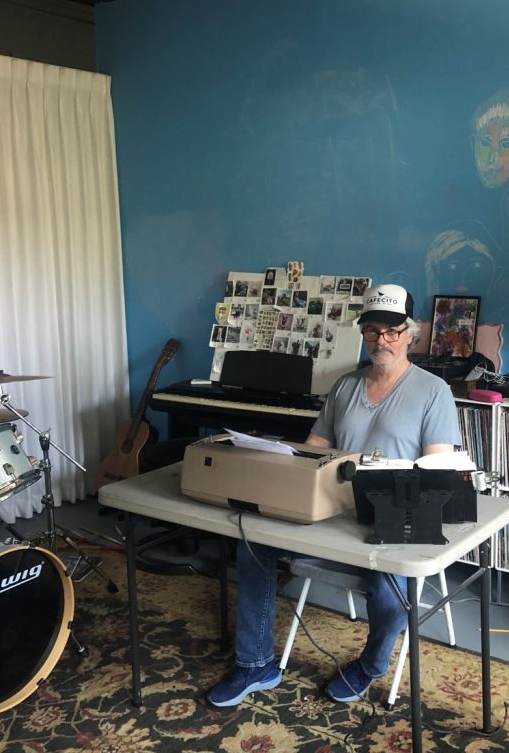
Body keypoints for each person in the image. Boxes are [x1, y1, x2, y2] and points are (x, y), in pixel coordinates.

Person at [206, 283, 462, 707]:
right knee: (251, 539)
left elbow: (436, 472)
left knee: (390, 589)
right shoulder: (344, 386)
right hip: (331, 508)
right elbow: (314, 450)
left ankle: (371, 665)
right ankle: (255, 664)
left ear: (410, 334)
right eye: (373, 330)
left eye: (392, 331)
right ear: (363, 333)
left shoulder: (433, 392)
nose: (382, 340)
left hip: (393, 515)